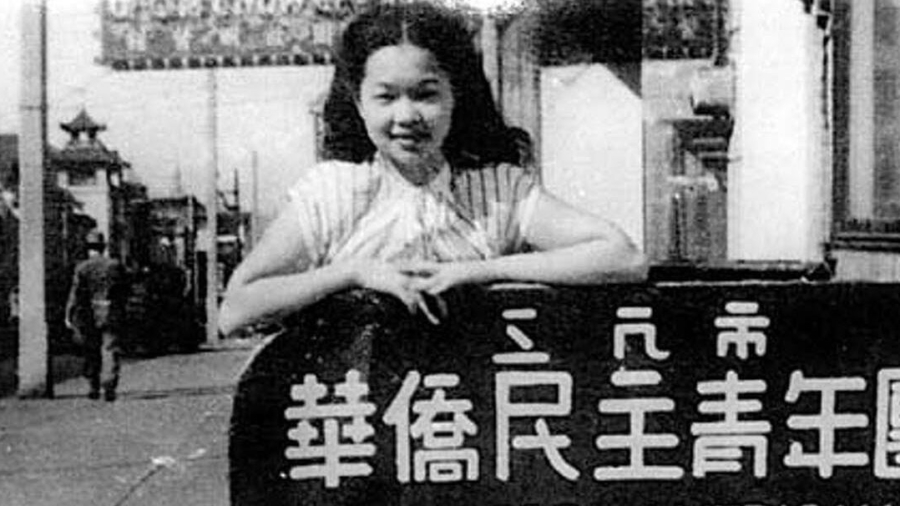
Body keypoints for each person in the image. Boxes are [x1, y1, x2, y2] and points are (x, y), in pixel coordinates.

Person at [218, 1, 646, 337]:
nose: (406, 116)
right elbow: (236, 309)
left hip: (464, 428)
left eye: (426, 94)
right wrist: (353, 273)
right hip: (357, 426)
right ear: (358, 102)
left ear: (456, 95)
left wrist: (477, 272)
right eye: (386, 98)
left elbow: (623, 257)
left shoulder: (500, 190)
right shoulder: (329, 194)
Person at [65, 230, 129, 401]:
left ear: (88, 248)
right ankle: (109, 384)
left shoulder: (82, 267)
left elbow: (75, 293)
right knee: (110, 349)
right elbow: (125, 291)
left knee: (90, 350)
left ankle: (93, 386)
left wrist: (69, 314)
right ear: (103, 247)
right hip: (111, 312)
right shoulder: (115, 266)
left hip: (88, 314)